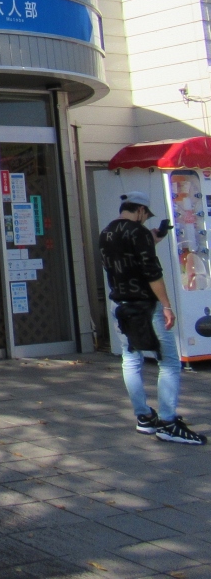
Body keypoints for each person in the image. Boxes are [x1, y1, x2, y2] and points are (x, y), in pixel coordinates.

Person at [99, 191, 205, 445]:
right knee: (168, 362)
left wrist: (153, 238)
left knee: (131, 359)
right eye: (146, 215)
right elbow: (151, 272)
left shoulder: (106, 232)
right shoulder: (139, 232)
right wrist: (167, 305)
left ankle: (144, 417)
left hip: (120, 303)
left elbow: (128, 258)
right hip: (146, 305)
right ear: (141, 211)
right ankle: (168, 422)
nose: (146, 220)